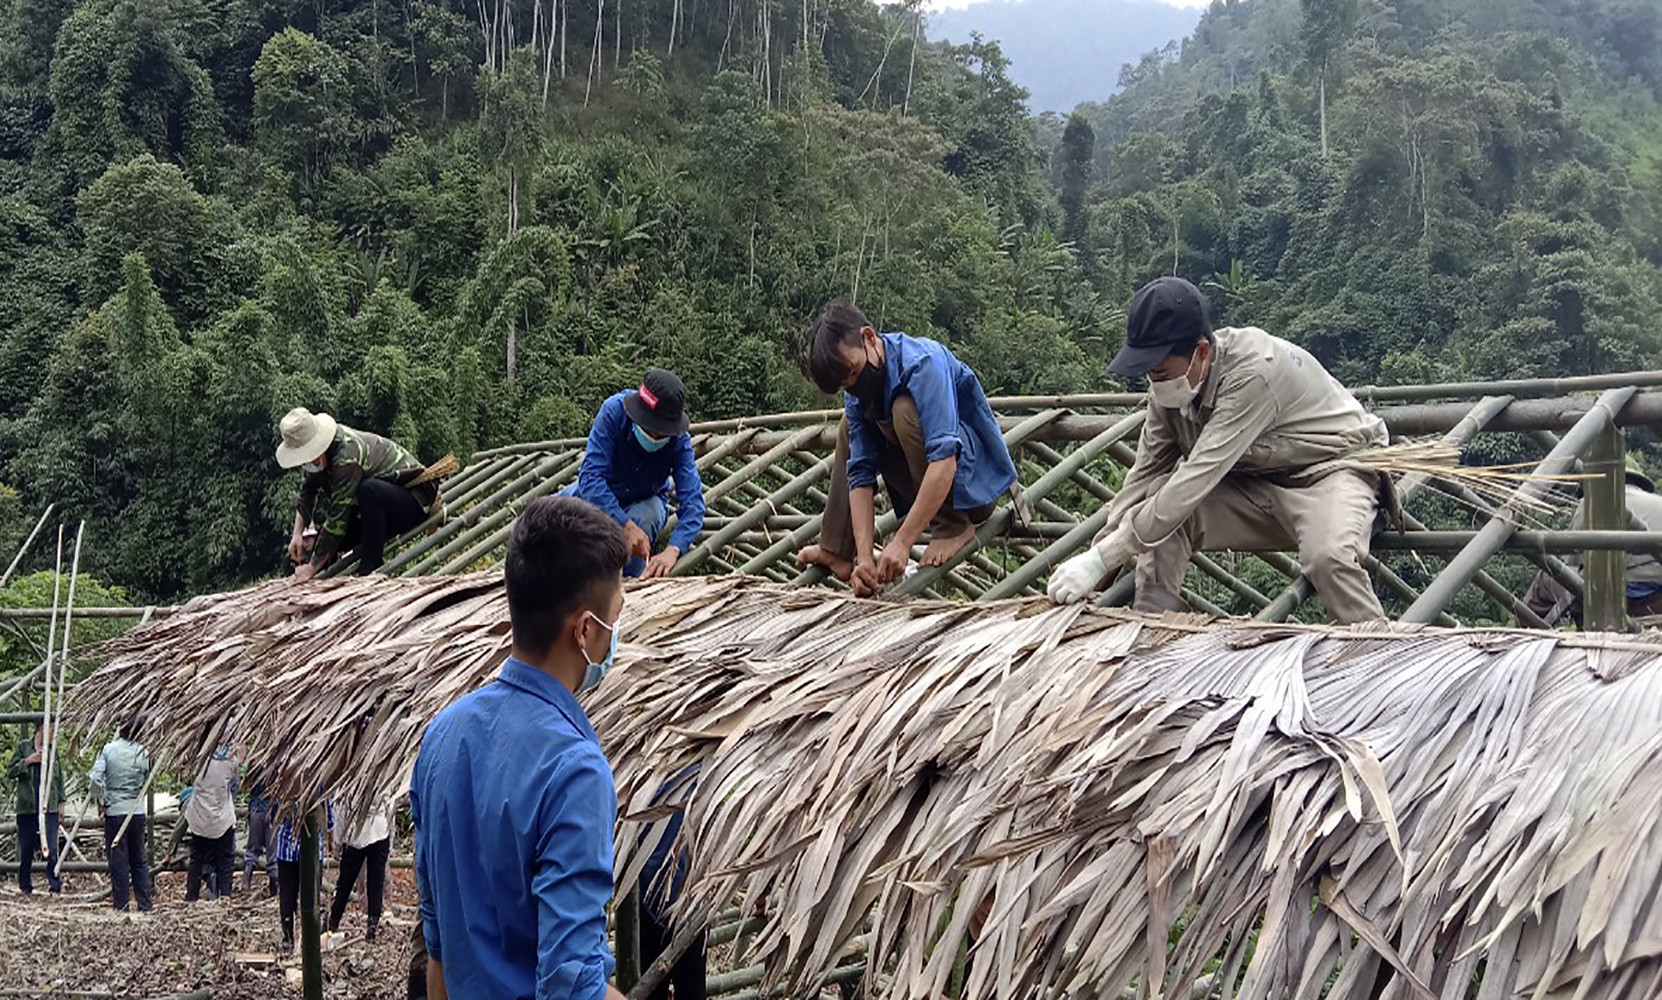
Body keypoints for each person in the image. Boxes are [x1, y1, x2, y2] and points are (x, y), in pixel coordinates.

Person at [1047, 277, 1388, 623]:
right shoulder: (1169, 390)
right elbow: (1142, 477)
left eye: (1161, 370)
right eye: (1149, 373)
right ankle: (1149, 627)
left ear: (1202, 352)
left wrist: (1103, 557)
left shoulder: (1253, 375)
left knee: (1328, 558)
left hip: (1328, 472)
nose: (1155, 383)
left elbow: (1196, 479)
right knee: (1158, 503)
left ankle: (1376, 655)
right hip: (1255, 478)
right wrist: (1097, 560)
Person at [411, 496, 630, 1000]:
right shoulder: (574, 770)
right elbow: (569, 986)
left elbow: (437, 947)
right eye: (616, 616)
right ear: (586, 631)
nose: (617, 634)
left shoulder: (443, 734)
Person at [796, 300, 1018, 596]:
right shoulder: (857, 393)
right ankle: (837, 550)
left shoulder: (923, 363)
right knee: (849, 426)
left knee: (903, 410)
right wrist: (864, 558)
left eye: (851, 372)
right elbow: (860, 474)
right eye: (842, 384)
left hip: (970, 487)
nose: (851, 385)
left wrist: (902, 542)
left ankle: (951, 527)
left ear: (869, 338)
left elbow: (945, 459)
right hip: (921, 486)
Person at [276, 407, 448, 579]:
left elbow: (337, 518)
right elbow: (308, 492)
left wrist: (311, 568)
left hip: (415, 500)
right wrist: (297, 534)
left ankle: (370, 568)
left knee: (368, 490)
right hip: (376, 513)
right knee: (328, 542)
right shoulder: (318, 459)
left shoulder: (346, 457)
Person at [568, 370, 704, 579]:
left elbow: (693, 503)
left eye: (661, 434)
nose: (654, 437)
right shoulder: (613, 412)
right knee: (549, 519)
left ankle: (629, 585)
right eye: (649, 430)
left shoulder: (679, 439)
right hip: (599, 496)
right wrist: (624, 525)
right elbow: (591, 478)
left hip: (646, 500)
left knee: (645, 519)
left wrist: (673, 549)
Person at [1522, 460, 1662, 625]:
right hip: (1656, 597)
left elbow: (1572, 563)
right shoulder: (1659, 502)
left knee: (1546, 580)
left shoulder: (1590, 502)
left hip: (1607, 595)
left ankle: (1520, 642)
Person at [89, 716, 153, 912]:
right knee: (139, 859)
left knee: (118, 860)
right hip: (136, 810)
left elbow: (95, 779)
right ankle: (145, 904)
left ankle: (121, 905)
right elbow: (147, 779)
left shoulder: (109, 750)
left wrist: (102, 800)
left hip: (115, 811)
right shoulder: (144, 752)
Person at [9, 722, 65, 896]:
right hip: (28, 808)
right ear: (42, 729)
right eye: (52, 729)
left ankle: (54, 885)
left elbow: (59, 778)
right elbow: (10, 772)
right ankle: (25, 885)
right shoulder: (23, 747)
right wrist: (27, 762)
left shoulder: (53, 751)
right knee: (26, 847)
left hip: (49, 806)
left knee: (52, 848)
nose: (55, 733)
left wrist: (61, 803)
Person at [327, 798, 394, 942]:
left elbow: (341, 813)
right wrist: (390, 838)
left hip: (355, 833)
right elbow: (390, 807)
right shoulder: (380, 779)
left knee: (345, 883)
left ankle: (332, 923)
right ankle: (372, 926)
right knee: (376, 883)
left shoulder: (349, 782)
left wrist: (337, 845)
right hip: (379, 830)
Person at [275, 804, 332, 955]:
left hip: (286, 849)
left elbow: (274, 815)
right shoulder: (319, 782)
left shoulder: (283, 781)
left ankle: (288, 940)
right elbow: (328, 818)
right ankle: (309, 942)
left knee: (287, 897)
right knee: (311, 899)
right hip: (312, 851)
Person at [183, 747, 238, 902]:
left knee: (196, 859)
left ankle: (191, 896)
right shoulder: (230, 761)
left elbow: (187, 768)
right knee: (225, 860)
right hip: (222, 817)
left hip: (200, 816)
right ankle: (225, 895)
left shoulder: (198, 758)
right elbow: (234, 781)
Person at [243, 768, 279, 896]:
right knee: (273, 852)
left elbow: (246, 784)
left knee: (252, 849)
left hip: (255, 811)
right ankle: (274, 889)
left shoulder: (254, 764)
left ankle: (246, 883)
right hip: (273, 812)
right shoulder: (280, 762)